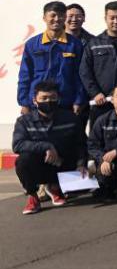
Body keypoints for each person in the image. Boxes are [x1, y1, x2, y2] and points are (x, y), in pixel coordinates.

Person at [13, 80, 86, 215]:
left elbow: (81, 143)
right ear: (35, 101)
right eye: (44, 98)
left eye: (53, 98)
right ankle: (33, 196)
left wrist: (81, 164)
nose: (48, 101)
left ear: (58, 99)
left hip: (63, 163)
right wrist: (46, 146)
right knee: (23, 160)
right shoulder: (24, 121)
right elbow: (18, 144)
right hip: (40, 165)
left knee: (87, 187)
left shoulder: (71, 118)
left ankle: (54, 188)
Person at [79, 0, 117, 132]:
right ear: (105, 19)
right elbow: (85, 71)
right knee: (99, 137)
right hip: (102, 103)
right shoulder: (94, 44)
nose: (116, 21)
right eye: (112, 18)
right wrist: (95, 93)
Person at [17, 0, 85, 116]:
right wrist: (24, 103)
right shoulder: (32, 44)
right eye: (52, 15)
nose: (57, 19)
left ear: (65, 17)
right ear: (44, 18)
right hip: (37, 103)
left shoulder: (75, 44)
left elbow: (80, 75)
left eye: (61, 15)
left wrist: (79, 100)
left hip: (65, 102)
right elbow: (25, 75)